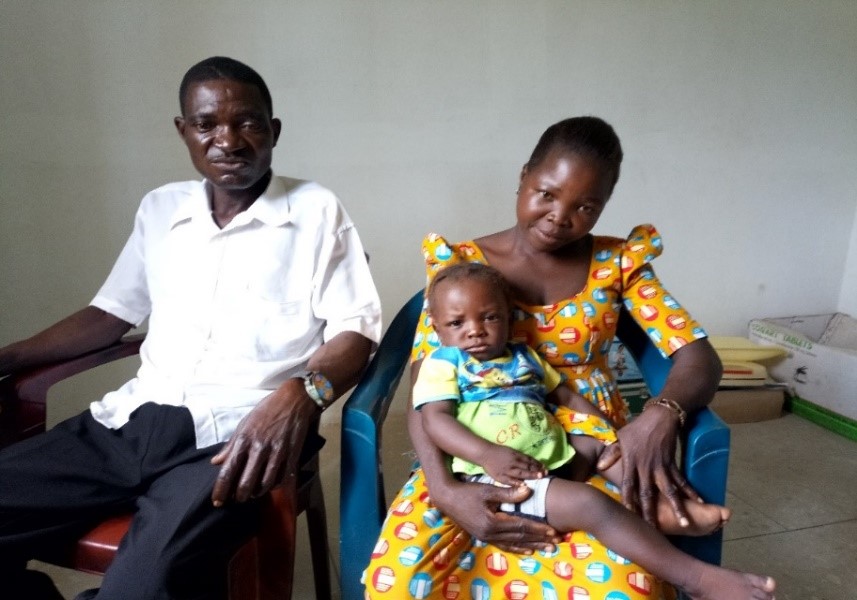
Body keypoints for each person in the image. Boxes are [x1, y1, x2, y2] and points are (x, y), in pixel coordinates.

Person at [0, 56, 382, 600]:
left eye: (247, 123)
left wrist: (303, 394)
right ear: (184, 132)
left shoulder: (317, 211)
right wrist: (9, 357)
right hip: (131, 421)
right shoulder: (161, 209)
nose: (227, 141)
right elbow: (111, 314)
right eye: (206, 125)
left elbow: (356, 332)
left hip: (237, 437)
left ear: (273, 131)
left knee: (146, 583)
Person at [364, 116, 773, 600]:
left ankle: (686, 563)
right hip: (474, 450)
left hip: (590, 443)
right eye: (546, 193)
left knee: (624, 587)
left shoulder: (617, 263)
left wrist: (660, 416)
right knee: (405, 581)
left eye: (586, 206)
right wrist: (447, 492)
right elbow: (427, 392)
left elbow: (699, 357)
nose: (560, 216)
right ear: (523, 177)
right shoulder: (462, 270)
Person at [411, 261, 773, 600]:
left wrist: (607, 430)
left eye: (489, 317)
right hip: (501, 481)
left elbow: (564, 394)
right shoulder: (445, 364)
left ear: (508, 316)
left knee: (605, 447)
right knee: (590, 504)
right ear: (438, 327)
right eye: (457, 324)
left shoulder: (524, 357)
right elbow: (436, 419)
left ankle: (660, 508)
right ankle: (698, 579)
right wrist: (485, 454)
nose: (475, 330)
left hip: (554, 457)